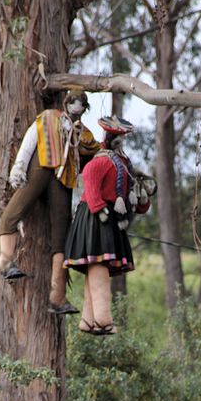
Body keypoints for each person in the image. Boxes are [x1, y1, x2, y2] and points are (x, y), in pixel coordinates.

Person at [0, 89, 100, 315]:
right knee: (16, 208)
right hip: (40, 167)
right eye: (73, 101)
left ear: (85, 108)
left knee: (62, 232)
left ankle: (57, 295)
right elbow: (30, 139)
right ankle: (5, 261)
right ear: (66, 103)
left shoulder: (84, 135)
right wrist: (19, 165)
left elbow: (90, 161)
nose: (76, 106)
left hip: (63, 179)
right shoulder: (49, 118)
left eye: (81, 103)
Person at [64, 116, 151, 335]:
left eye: (124, 138)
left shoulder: (124, 164)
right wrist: (100, 210)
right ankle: (103, 319)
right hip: (96, 217)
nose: (122, 141)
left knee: (96, 268)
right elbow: (91, 183)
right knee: (98, 267)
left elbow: (130, 197)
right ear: (111, 137)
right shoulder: (101, 161)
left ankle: (89, 319)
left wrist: (141, 198)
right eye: (119, 137)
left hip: (109, 217)